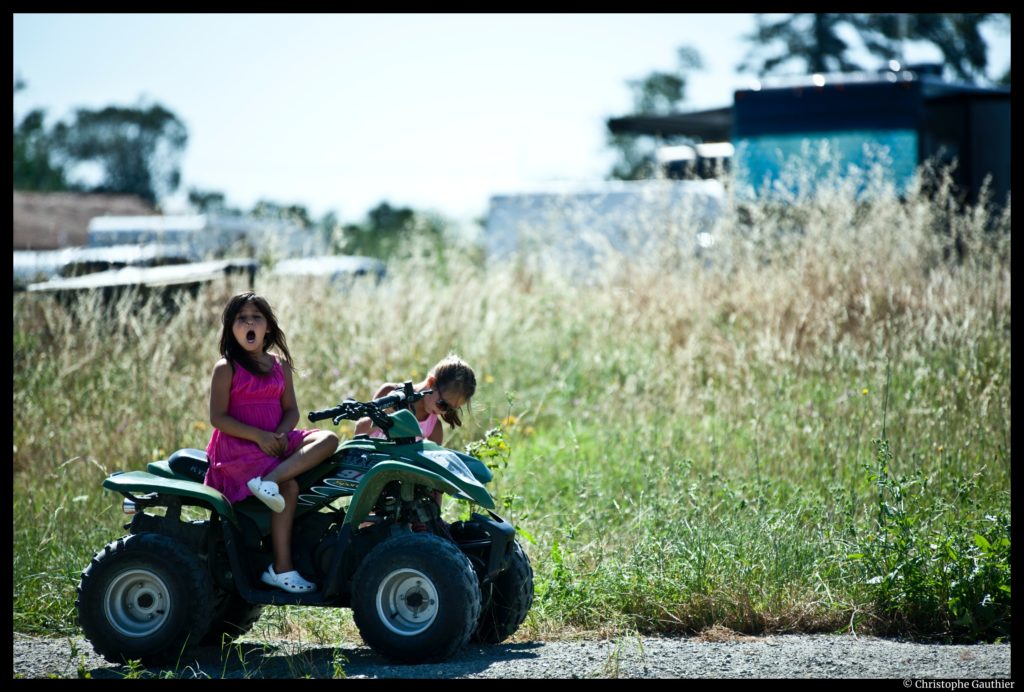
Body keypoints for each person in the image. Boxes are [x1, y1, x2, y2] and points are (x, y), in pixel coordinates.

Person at [203, 291, 338, 594]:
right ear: (231, 328)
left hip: (275, 437)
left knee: (329, 438)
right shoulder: (227, 368)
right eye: (241, 318)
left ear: (267, 327)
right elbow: (218, 418)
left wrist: (279, 434)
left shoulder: (280, 366)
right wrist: (259, 437)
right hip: (239, 445)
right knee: (289, 488)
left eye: (256, 317)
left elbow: (292, 410)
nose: (249, 323)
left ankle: (269, 481)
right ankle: (282, 568)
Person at [354, 353, 477, 446]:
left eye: (450, 409)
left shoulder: (433, 427)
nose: (443, 412)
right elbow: (359, 430)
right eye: (443, 404)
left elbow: (432, 467)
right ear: (431, 382)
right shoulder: (389, 393)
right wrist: (382, 415)